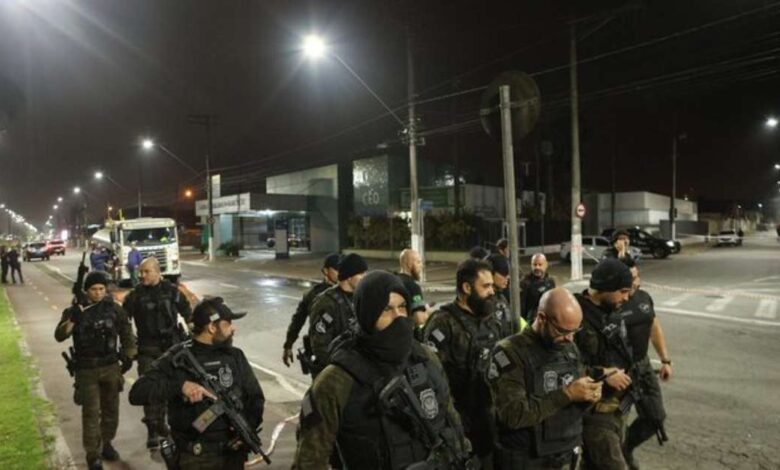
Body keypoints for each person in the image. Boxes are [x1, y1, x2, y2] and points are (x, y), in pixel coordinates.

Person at [293, 271, 474, 469]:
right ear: (367, 315)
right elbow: (309, 461)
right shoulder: (336, 381)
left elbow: (452, 423)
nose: (398, 317)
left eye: (402, 307)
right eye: (386, 309)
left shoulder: (425, 357)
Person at [129, 297, 264, 470]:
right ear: (212, 327)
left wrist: (246, 430)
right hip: (195, 457)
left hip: (232, 454)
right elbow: (137, 392)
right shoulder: (178, 356)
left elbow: (255, 398)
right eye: (228, 323)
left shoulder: (234, 356)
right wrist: (180, 387)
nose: (233, 328)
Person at [489, 288, 606, 470]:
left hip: (565, 452)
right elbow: (513, 414)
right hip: (527, 459)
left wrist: (589, 395)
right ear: (542, 318)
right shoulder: (509, 352)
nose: (570, 338)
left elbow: (576, 394)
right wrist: (567, 394)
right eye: (563, 331)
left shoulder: (568, 347)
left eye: (575, 331)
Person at [423, 258, 502, 468]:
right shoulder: (442, 323)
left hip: (488, 419)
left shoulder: (491, 320)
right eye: (486, 286)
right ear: (467, 288)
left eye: (492, 286)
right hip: (458, 423)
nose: (492, 292)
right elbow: (431, 377)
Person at [55, 271, 136, 470]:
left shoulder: (114, 309)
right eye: (93, 289)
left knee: (111, 410)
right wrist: (73, 320)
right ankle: (93, 454)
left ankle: (106, 443)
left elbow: (127, 332)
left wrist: (129, 355)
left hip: (110, 367)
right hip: (87, 370)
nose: (98, 293)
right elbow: (60, 335)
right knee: (91, 413)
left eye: (101, 288)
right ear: (86, 290)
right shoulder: (76, 310)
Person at [122, 257, 193, 449]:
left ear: (157, 272)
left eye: (146, 271)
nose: (142, 275)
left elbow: (189, 314)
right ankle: (153, 430)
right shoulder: (135, 295)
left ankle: (170, 428)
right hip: (147, 350)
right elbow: (123, 321)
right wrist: (129, 345)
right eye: (141, 272)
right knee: (151, 391)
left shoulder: (172, 292)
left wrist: (195, 338)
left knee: (174, 390)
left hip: (172, 350)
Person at [574, 259, 636, 470]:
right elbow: (560, 367)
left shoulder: (612, 311)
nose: (626, 297)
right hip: (593, 412)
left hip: (616, 408)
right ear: (606, 287)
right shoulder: (574, 315)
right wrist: (603, 374)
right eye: (623, 291)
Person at [621, 262, 672, 470]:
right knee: (613, 423)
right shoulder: (612, 302)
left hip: (643, 366)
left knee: (655, 417)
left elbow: (654, 327)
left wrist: (665, 360)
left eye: (636, 277)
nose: (635, 282)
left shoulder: (644, 298)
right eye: (630, 278)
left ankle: (625, 448)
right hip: (619, 371)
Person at [307, 253, 368, 377]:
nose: (365, 277)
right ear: (349, 277)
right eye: (361, 274)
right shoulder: (327, 302)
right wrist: (341, 370)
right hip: (336, 373)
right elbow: (320, 346)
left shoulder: (359, 297)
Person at [282, 253, 340, 367]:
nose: (340, 272)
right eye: (337, 269)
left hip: (342, 352)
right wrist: (288, 345)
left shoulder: (348, 292)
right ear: (326, 271)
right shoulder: (313, 294)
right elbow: (298, 320)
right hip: (321, 354)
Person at [397, 248, 435, 339]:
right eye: (418, 262)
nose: (421, 266)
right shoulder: (413, 286)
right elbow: (419, 319)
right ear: (409, 264)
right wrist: (430, 312)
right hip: (407, 336)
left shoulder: (394, 279)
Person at [487, 253, 525, 337]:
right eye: (503, 274)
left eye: (508, 274)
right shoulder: (483, 300)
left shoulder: (502, 296)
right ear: (490, 273)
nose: (508, 277)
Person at [519, 254, 556, 324]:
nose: (537, 267)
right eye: (534, 264)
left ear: (546, 265)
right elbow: (521, 308)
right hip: (531, 322)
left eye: (540, 264)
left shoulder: (550, 281)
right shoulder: (525, 282)